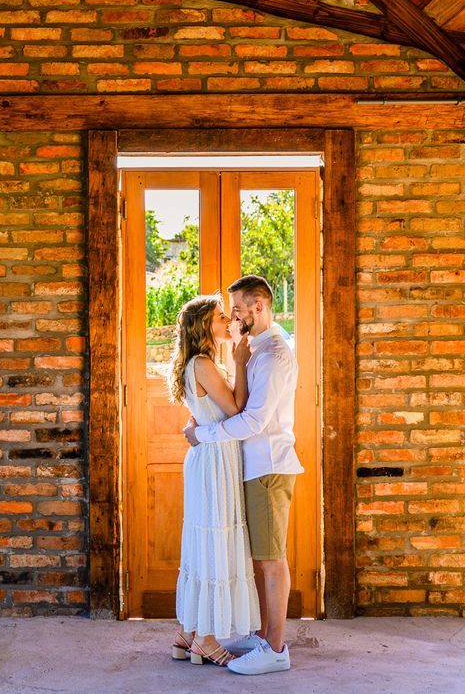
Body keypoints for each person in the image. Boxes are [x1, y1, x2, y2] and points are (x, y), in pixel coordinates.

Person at [183, 275, 302, 675]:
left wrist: (203, 434)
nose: (233, 317)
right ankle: (265, 635)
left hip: (268, 467)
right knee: (261, 558)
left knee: (271, 561)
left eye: (237, 309)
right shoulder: (256, 350)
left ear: (259, 305)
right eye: (228, 311)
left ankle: (276, 649)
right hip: (252, 468)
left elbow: (252, 420)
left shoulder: (274, 356)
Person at [168, 294, 260, 667]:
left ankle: (187, 634)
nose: (229, 320)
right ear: (205, 326)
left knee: (204, 539)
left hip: (207, 457)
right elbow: (236, 409)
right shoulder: (204, 363)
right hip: (214, 461)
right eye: (221, 317)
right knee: (214, 540)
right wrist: (239, 362)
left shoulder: (198, 363)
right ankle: (206, 639)